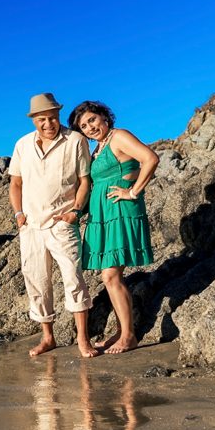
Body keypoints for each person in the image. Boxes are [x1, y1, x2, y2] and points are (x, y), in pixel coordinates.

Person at [8, 93, 97, 357]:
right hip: (31, 226)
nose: (48, 124)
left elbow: (85, 181)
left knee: (73, 278)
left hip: (62, 224)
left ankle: (83, 339)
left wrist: (75, 211)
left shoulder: (76, 140)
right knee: (37, 281)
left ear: (58, 115)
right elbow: (15, 183)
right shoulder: (22, 145)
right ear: (34, 120)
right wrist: (19, 215)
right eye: (42, 119)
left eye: (52, 118)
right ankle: (48, 338)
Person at [70, 100, 158, 354]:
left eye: (92, 120)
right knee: (111, 276)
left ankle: (128, 336)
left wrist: (133, 192)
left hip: (120, 212)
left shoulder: (119, 136)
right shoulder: (98, 148)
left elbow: (150, 159)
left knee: (110, 275)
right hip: (103, 216)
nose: (90, 127)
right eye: (84, 126)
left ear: (105, 117)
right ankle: (122, 331)